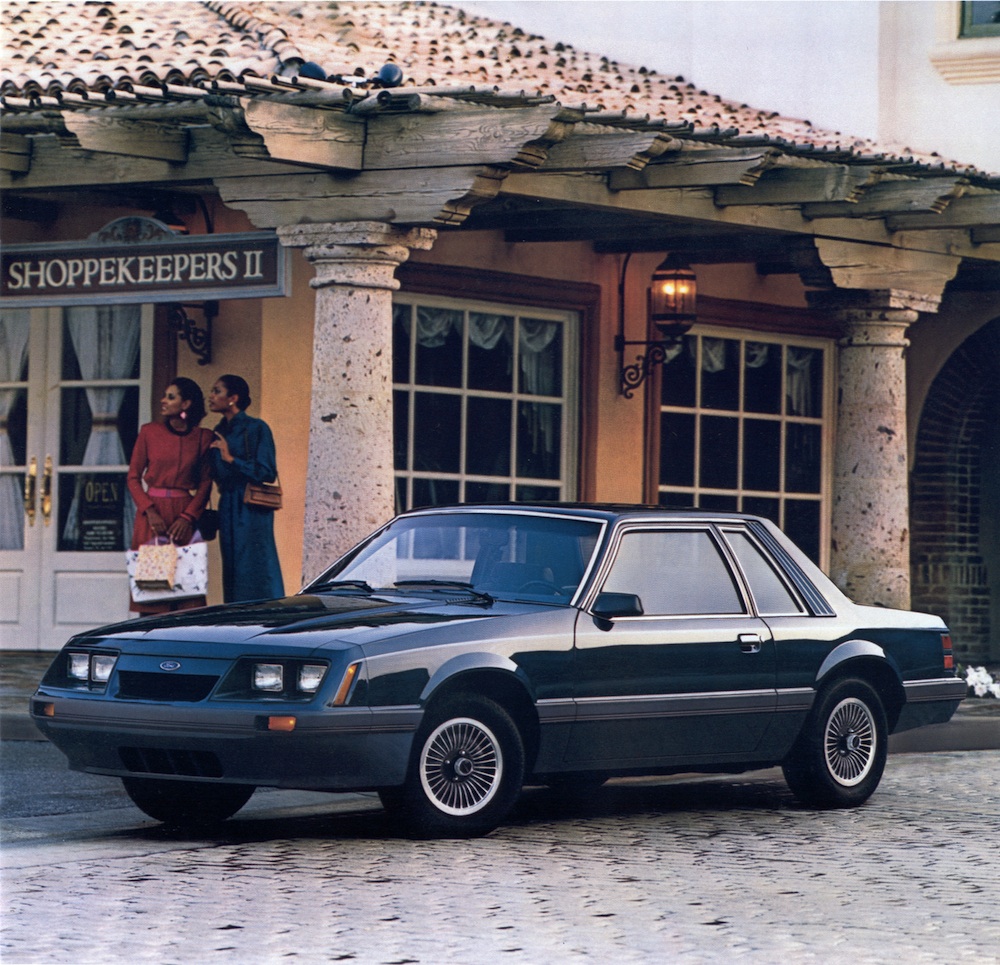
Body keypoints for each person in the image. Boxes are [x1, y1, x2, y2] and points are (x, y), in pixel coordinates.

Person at [127, 377, 213, 613]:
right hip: (152, 518)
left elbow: (206, 482)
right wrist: (149, 510)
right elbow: (133, 477)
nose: (163, 401)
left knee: (187, 594)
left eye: (171, 397)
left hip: (184, 516)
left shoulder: (203, 438)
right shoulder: (149, 432)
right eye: (164, 395)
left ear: (186, 404)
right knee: (153, 590)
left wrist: (188, 517)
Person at [207, 374, 285, 603]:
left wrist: (231, 459)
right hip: (228, 504)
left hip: (251, 506)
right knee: (232, 565)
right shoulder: (219, 430)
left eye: (217, 391)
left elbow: (267, 471)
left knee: (255, 564)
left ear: (233, 398)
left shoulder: (256, 428)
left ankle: (268, 613)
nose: (211, 396)